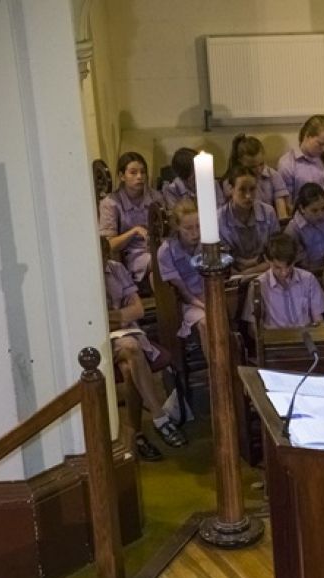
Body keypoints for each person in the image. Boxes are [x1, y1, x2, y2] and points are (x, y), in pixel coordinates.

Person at [104, 249, 187, 461]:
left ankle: (134, 437)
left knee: (128, 366)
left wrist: (110, 317)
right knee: (132, 348)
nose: (104, 263)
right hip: (98, 338)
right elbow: (90, 318)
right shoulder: (79, 275)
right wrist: (119, 316)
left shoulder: (115, 268)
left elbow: (138, 310)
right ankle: (159, 418)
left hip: (125, 333)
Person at [98, 152, 164, 283]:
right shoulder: (111, 203)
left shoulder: (155, 197)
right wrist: (134, 231)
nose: (139, 177)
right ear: (122, 176)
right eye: (133, 173)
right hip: (132, 254)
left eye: (143, 172)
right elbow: (110, 244)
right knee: (160, 263)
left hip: (158, 247)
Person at [158, 199, 210, 356]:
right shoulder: (166, 251)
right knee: (206, 322)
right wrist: (204, 306)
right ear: (177, 227)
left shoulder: (208, 243)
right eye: (188, 228)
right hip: (189, 303)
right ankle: (215, 372)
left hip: (209, 295)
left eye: (198, 226)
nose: (195, 233)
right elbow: (183, 293)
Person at [256, 233, 324, 328]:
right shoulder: (259, 285)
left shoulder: (308, 279)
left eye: (289, 266)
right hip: (274, 340)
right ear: (267, 260)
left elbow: (319, 321)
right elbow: (253, 329)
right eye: (277, 267)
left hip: (306, 337)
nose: (284, 273)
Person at [218, 165, 280, 271]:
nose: (248, 196)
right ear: (231, 189)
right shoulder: (219, 219)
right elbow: (220, 259)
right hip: (233, 275)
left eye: (252, 189)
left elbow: (277, 251)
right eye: (242, 190)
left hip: (266, 269)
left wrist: (251, 271)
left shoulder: (268, 212)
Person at [222, 134, 291, 219]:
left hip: (269, 224)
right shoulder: (231, 181)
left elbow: (282, 213)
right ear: (240, 162)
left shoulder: (273, 175)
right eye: (252, 167)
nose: (259, 169)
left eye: (261, 164)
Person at [277, 115, 324, 201]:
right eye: (320, 144)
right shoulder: (287, 163)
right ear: (307, 136)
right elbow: (287, 202)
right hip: (302, 211)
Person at [283, 183, 324, 270]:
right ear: (302, 208)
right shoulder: (293, 230)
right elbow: (301, 265)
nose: (320, 215)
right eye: (314, 211)